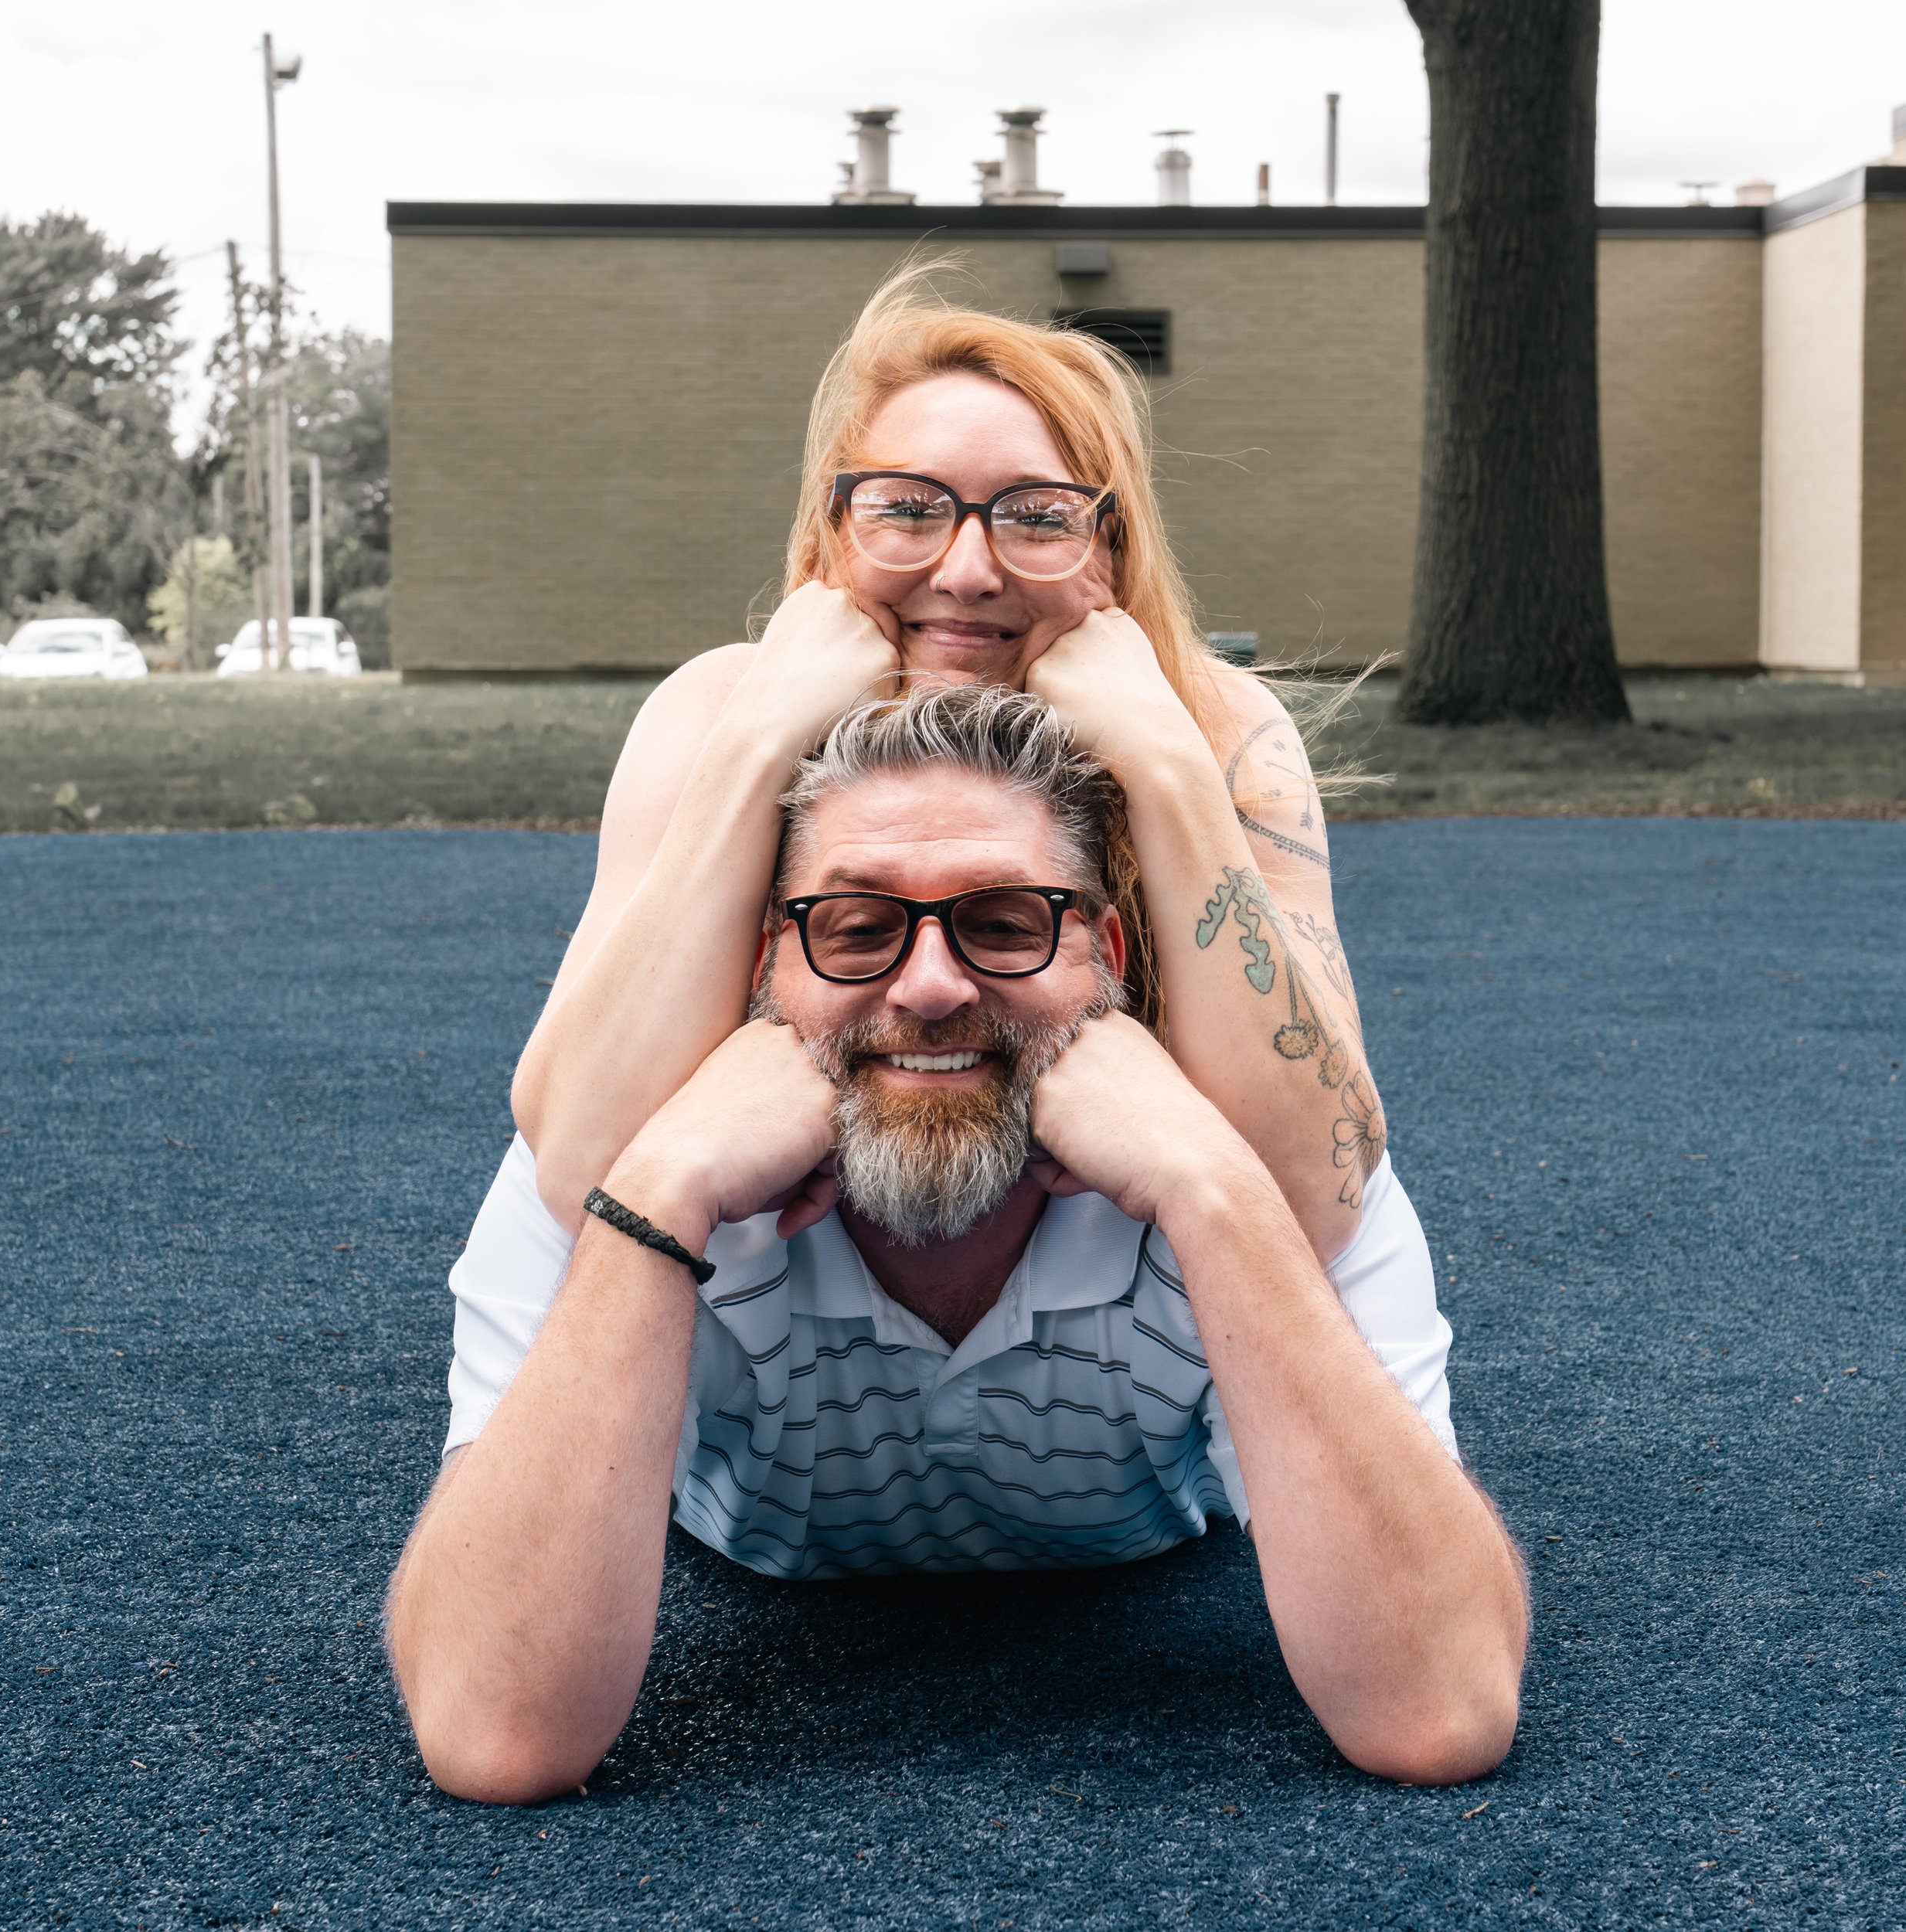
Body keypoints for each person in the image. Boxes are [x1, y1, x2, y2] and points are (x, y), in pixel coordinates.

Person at [387, 686, 1527, 1806]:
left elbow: (1439, 1710)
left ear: (1108, 952)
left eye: (1003, 923)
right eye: (855, 928)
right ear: (758, 968)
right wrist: (660, 1196)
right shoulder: (621, 1158)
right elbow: (499, 1734)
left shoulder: (1268, 1159)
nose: (931, 988)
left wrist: (1216, 1190)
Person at [509, 268, 1389, 1267]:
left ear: (1113, 548)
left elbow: (1323, 1195)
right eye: (908, 508)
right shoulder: (719, 710)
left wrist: (1167, 767)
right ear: (831, 536)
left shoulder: (1216, 727)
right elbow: (578, 1166)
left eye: (1038, 515)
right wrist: (755, 749)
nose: (968, 569)